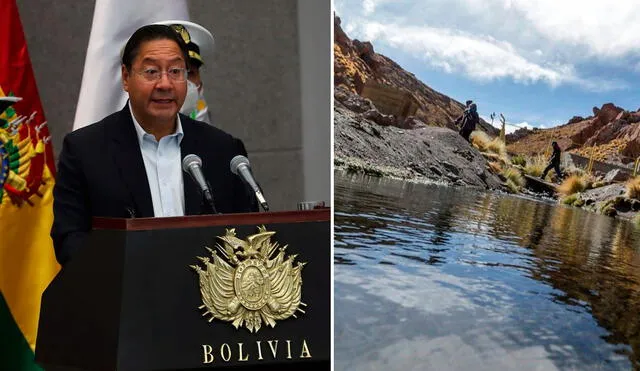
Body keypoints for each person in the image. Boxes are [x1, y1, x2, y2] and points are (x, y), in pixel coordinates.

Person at [51, 24, 257, 266]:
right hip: (126, 297)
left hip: (209, 299)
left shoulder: (223, 149)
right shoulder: (86, 150)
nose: (165, 84)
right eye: (151, 72)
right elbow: (69, 241)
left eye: (176, 71)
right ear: (126, 77)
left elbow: (250, 233)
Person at [155, 20, 214, 125]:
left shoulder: (216, 140)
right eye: (174, 71)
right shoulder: (121, 136)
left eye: (190, 73)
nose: (183, 84)